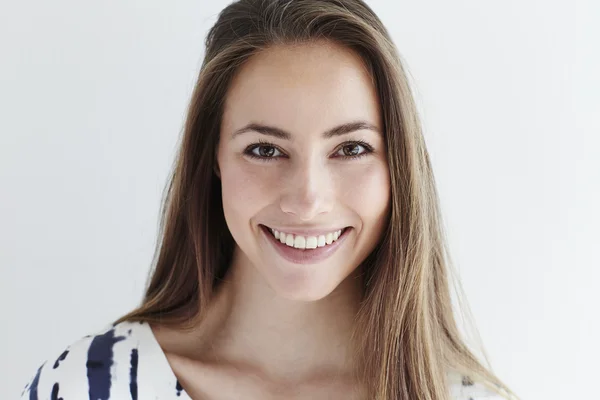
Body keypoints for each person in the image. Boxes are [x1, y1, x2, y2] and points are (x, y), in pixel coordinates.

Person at [19, 0, 519, 399]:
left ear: (400, 168)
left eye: (351, 148)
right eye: (264, 150)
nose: (307, 199)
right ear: (211, 157)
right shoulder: (83, 387)